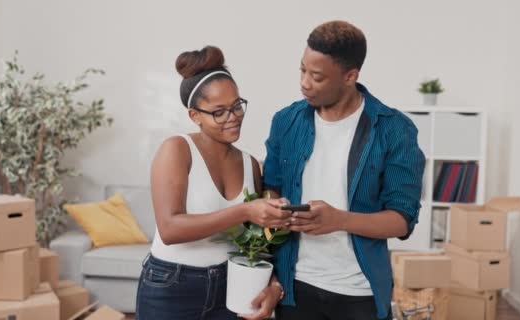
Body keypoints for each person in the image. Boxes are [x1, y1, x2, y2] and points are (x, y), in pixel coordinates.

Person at [262, 21, 426, 320]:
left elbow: (402, 220)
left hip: (359, 291)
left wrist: (339, 220)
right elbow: (271, 186)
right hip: (295, 286)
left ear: (350, 76)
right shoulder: (285, 122)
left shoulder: (394, 130)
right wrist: (275, 206)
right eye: (302, 70)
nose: (305, 83)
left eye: (317, 76)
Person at [136, 46, 289, 320]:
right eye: (219, 112)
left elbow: (254, 241)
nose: (233, 117)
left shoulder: (250, 164)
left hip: (232, 286)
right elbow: (170, 229)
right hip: (171, 286)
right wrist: (244, 211)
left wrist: (274, 283)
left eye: (237, 106)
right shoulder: (177, 149)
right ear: (195, 116)